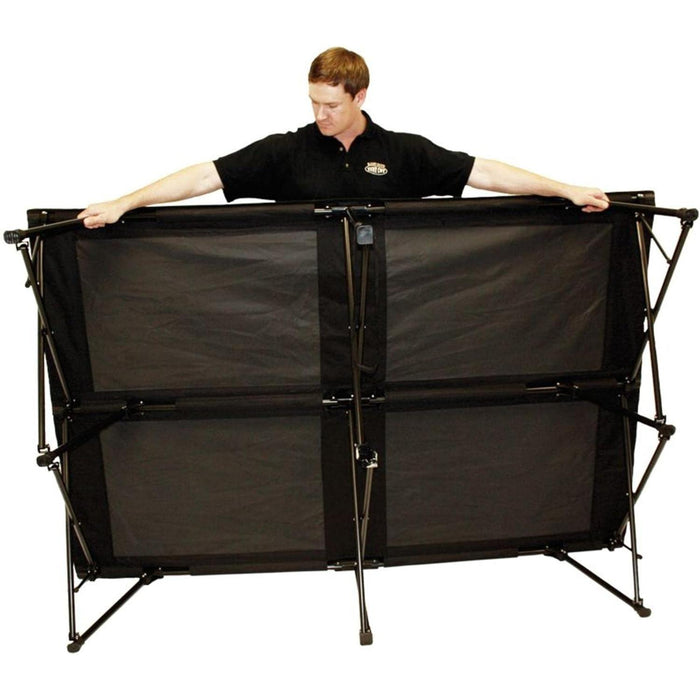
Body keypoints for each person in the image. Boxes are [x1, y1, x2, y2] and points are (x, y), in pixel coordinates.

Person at [78, 48, 609, 229]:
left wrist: (565, 190)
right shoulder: (286, 150)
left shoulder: (403, 150)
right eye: (313, 102)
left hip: (395, 312)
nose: (320, 114)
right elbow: (204, 176)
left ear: (360, 96)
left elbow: (484, 172)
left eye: (331, 105)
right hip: (304, 313)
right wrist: (126, 202)